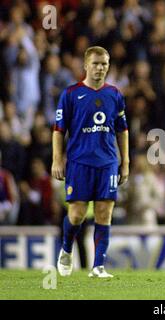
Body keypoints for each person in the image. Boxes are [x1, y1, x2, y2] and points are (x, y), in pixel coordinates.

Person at [52, 46, 129, 278]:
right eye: (96, 63)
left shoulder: (115, 94)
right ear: (86, 65)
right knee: (77, 214)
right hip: (79, 162)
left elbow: (122, 130)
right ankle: (66, 249)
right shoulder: (71, 94)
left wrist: (125, 162)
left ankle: (98, 267)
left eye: (104, 63)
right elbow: (58, 130)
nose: (100, 68)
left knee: (104, 213)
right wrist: (57, 159)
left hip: (107, 162)